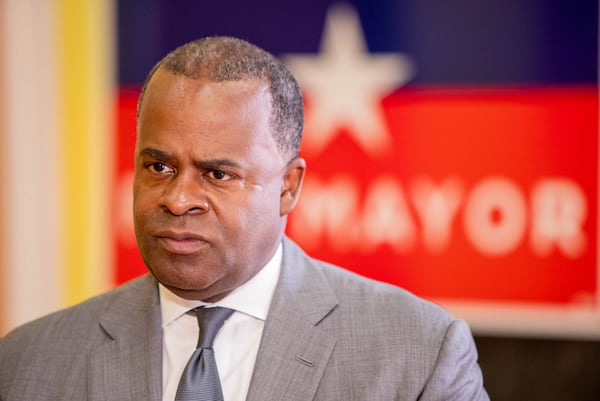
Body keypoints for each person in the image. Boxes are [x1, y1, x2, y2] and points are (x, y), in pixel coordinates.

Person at [0, 36, 489, 401]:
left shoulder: (420, 356)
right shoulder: (27, 364)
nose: (178, 198)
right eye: (159, 167)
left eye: (217, 174)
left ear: (288, 187)